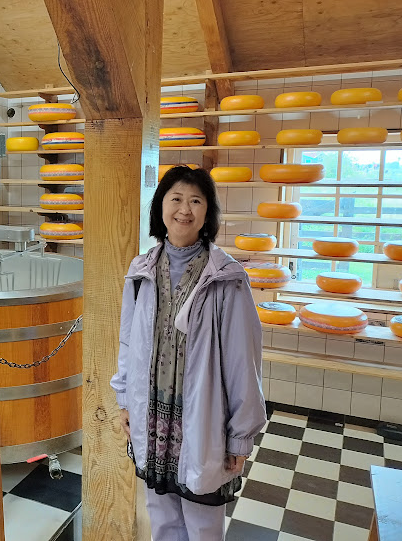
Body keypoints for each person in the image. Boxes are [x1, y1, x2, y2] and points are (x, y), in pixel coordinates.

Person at [110, 165, 266, 540]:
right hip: (153, 417)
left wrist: (240, 436)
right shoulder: (141, 271)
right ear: (160, 206)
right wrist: (125, 399)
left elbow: (243, 362)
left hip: (203, 421)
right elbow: (129, 343)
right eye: (176, 198)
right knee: (162, 519)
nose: (184, 209)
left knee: (202, 524)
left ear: (207, 212)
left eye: (196, 201)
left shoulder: (226, 278)